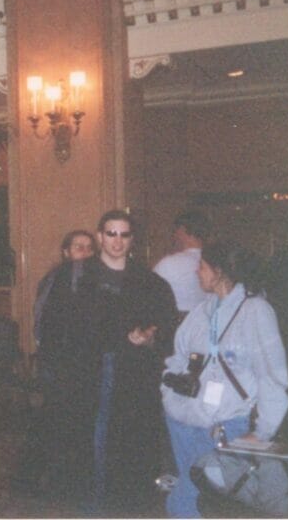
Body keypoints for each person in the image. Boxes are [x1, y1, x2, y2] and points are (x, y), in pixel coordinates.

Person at [35, 209, 177, 515]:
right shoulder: (74, 275)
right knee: (86, 447)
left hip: (132, 377)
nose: (117, 241)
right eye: (111, 234)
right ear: (100, 236)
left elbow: (165, 325)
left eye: (123, 235)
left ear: (132, 239)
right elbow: (53, 326)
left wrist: (149, 336)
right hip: (84, 374)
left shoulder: (149, 282)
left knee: (126, 447)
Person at [162, 240, 288, 518]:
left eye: (202, 266)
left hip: (225, 426)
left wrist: (263, 432)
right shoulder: (202, 311)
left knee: (204, 500)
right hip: (183, 421)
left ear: (219, 271)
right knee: (188, 492)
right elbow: (177, 357)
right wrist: (168, 394)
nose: (197, 272)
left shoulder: (256, 311)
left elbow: (273, 376)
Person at [12, 228, 96, 496]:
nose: (83, 251)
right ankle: (43, 477)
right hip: (58, 360)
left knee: (78, 420)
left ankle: (71, 477)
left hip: (85, 362)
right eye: (77, 246)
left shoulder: (98, 280)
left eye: (87, 247)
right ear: (66, 251)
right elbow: (41, 318)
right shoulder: (54, 279)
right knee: (54, 417)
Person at [154, 210, 213, 320]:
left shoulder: (169, 264)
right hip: (209, 325)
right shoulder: (215, 262)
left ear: (182, 231)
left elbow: (148, 295)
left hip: (176, 326)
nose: (174, 236)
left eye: (175, 231)